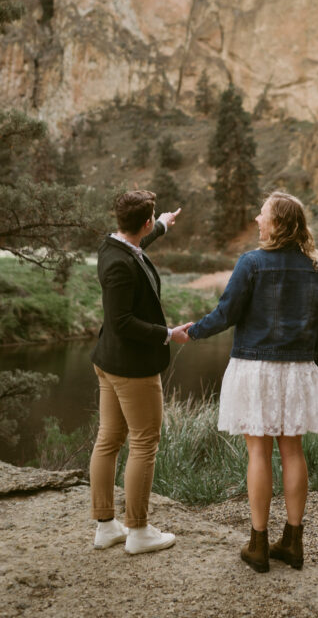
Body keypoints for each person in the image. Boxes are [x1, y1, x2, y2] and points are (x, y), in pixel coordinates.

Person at [185, 191, 318, 573]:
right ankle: (294, 543)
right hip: (299, 369)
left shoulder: (252, 263)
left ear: (278, 223)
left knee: (258, 453)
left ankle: (258, 544)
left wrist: (193, 333)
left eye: (262, 214)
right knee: (293, 452)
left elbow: (227, 312)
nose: (256, 219)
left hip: (256, 368)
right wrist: (314, 374)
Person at [89, 189, 190, 555]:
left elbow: (138, 242)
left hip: (110, 362)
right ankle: (138, 531)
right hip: (131, 368)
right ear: (141, 221)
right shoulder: (119, 263)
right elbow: (122, 322)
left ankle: (106, 527)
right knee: (144, 443)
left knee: (109, 439)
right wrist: (168, 335)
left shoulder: (113, 245)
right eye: (153, 219)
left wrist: (162, 225)